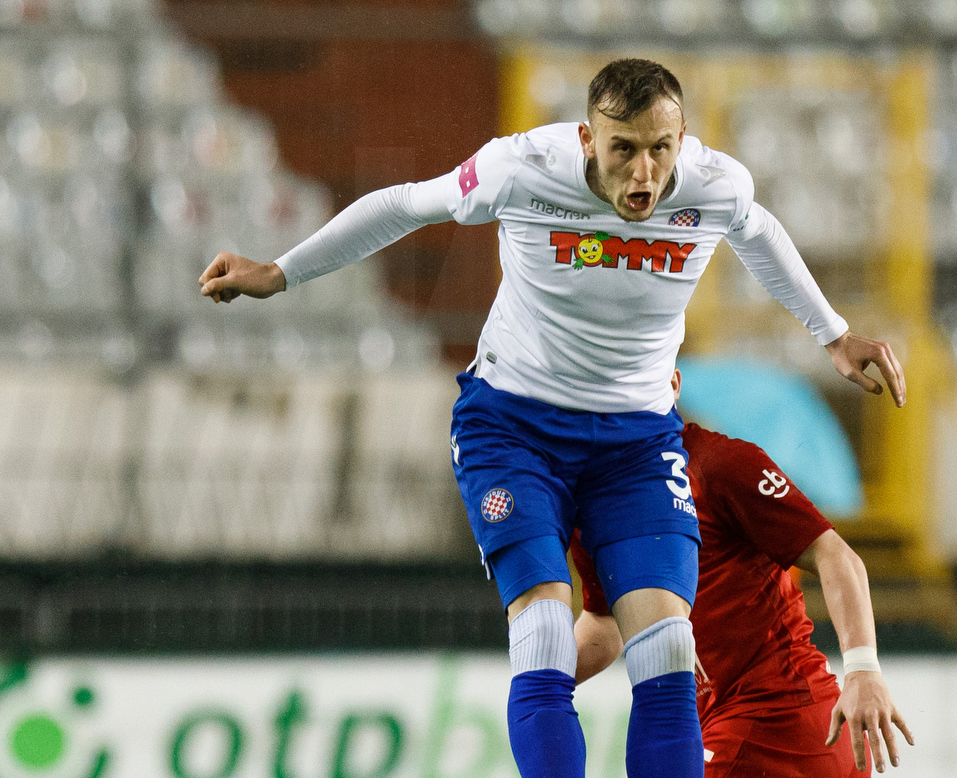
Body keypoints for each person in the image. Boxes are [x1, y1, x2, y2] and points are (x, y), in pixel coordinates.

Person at [198, 58, 906, 778]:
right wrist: (280, 271)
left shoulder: (714, 185)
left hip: (635, 442)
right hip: (514, 429)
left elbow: (759, 234)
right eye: (623, 148)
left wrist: (834, 334)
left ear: (682, 138)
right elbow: (408, 204)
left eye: (660, 148)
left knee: (665, 651)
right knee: (541, 631)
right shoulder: (523, 168)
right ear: (587, 138)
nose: (644, 172)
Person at [569, 370, 913, 776]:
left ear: (674, 385)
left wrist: (863, 670)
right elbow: (605, 623)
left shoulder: (720, 464)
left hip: (781, 724)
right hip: (728, 727)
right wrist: (540, 680)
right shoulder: (592, 505)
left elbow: (837, 557)